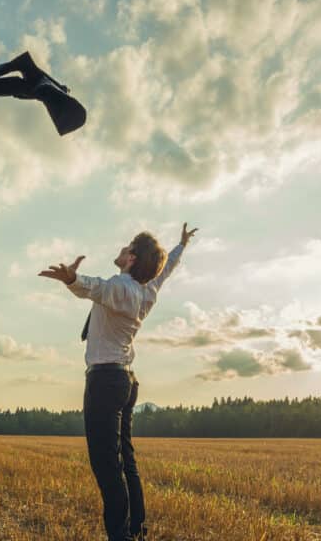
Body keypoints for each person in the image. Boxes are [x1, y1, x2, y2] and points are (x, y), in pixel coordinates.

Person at [39, 223, 198, 541]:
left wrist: (72, 279)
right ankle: (137, 529)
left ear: (132, 259)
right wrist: (180, 246)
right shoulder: (148, 290)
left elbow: (96, 288)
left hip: (106, 382)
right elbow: (166, 271)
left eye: (127, 248)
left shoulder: (122, 288)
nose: (122, 250)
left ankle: (121, 536)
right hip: (124, 380)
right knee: (125, 460)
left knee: (106, 465)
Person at [0, 50, 87, 136]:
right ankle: (30, 73)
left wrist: (59, 87)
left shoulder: (51, 92)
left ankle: (28, 71)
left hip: (38, 87)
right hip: (39, 87)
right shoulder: (50, 92)